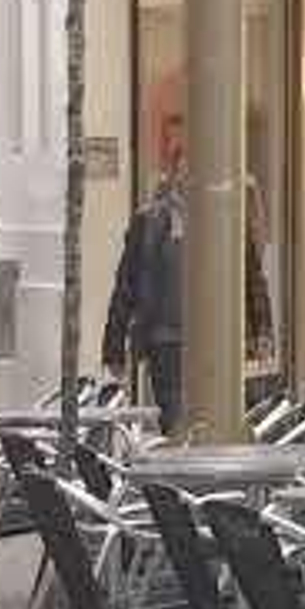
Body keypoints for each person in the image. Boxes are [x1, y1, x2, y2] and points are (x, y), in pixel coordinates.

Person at [102, 111, 273, 431]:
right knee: (177, 418)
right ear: (174, 172)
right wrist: (114, 345)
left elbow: (252, 277)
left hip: (219, 338)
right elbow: (126, 284)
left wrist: (262, 329)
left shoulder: (229, 219)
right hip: (167, 340)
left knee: (218, 417)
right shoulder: (150, 221)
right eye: (185, 165)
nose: (191, 173)